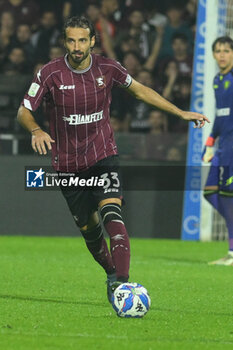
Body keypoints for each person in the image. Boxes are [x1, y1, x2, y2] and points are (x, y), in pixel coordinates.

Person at [17, 16, 209, 302]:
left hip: (102, 155)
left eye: (83, 40)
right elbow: (23, 110)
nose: (77, 46)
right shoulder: (49, 73)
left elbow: (141, 90)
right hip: (68, 166)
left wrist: (180, 113)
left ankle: (123, 284)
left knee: (112, 213)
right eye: (71, 40)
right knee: (90, 232)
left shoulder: (108, 68)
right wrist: (36, 130)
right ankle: (110, 272)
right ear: (64, 41)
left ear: (93, 41)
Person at [203, 36, 233, 266]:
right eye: (218, 50)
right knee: (210, 191)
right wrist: (211, 139)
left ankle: (232, 252)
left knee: (226, 196)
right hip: (223, 146)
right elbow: (222, 116)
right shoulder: (217, 80)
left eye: (226, 50)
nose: (222, 54)